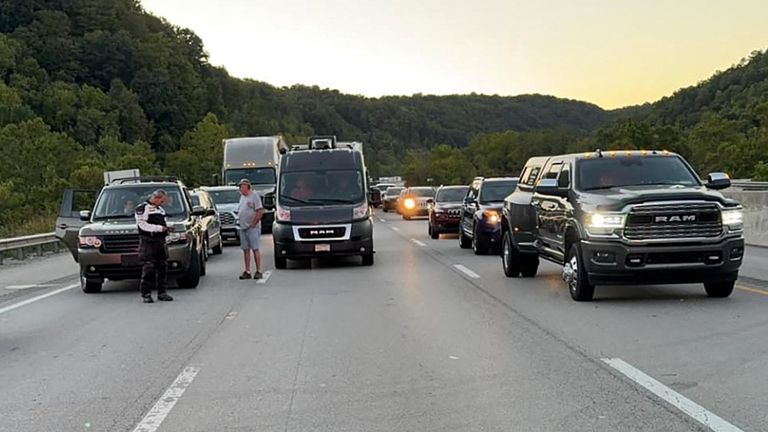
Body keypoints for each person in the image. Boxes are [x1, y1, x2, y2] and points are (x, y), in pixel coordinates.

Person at [135, 189, 174, 303]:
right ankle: (146, 293)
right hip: (148, 241)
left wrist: (167, 228)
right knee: (149, 267)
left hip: (160, 241)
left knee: (163, 266)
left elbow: (163, 223)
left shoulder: (160, 210)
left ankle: (162, 292)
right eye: (161, 201)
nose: (162, 204)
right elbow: (142, 225)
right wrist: (159, 228)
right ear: (156, 198)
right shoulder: (143, 208)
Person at [237, 179, 265, 279]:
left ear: (247, 187)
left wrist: (254, 223)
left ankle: (258, 270)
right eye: (240, 186)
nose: (240, 189)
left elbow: (260, 210)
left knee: (255, 248)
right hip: (243, 227)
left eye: (242, 186)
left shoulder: (254, 196)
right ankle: (247, 270)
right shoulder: (242, 197)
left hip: (252, 227)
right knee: (245, 249)